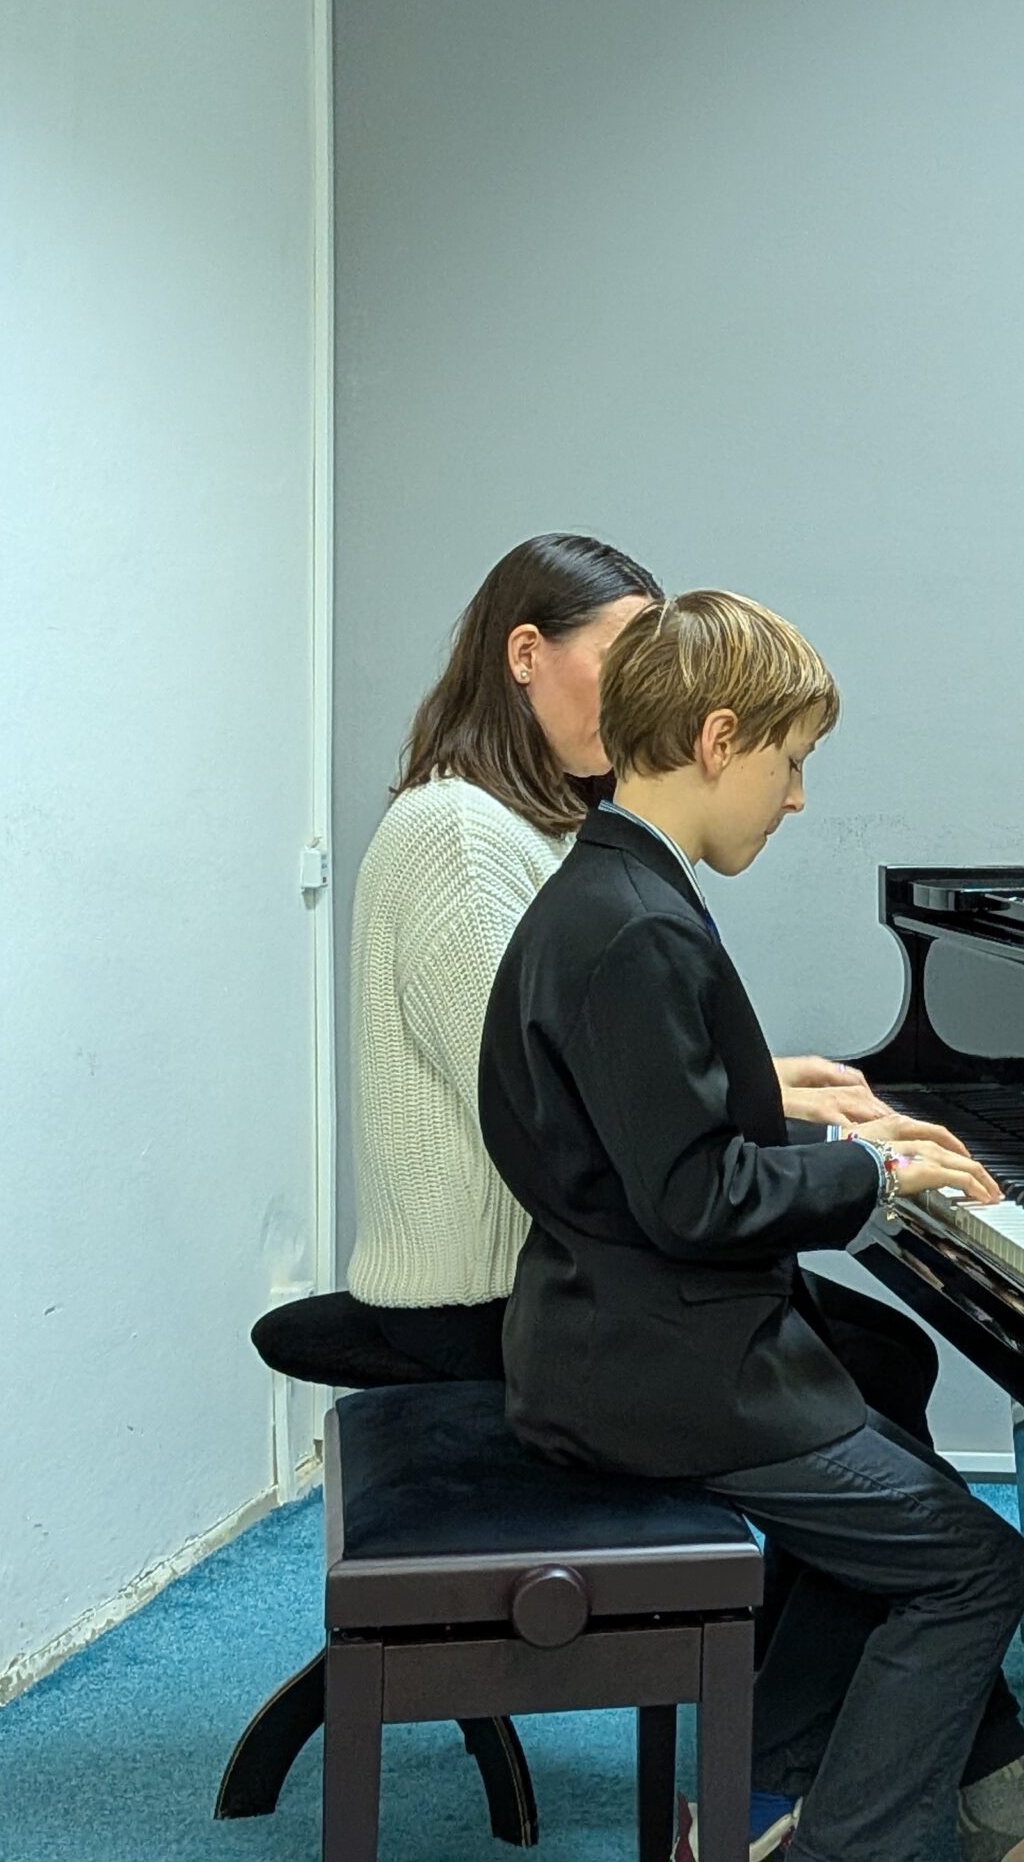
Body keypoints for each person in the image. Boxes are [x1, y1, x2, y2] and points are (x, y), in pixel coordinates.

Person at [478, 592, 1024, 1862]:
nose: (798, 797)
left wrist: (811, 1126)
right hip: (660, 1370)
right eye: (791, 761)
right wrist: (873, 1175)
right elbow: (697, 1196)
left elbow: (647, 1127)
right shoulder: (637, 928)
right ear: (717, 740)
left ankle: (764, 1792)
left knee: (888, 1370)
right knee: (974, 1569)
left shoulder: (610, 889)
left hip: (617, 1326)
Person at [254, 532, 884, 1389]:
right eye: (625, 660)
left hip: (560, 1274)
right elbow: (549, 1100)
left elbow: (591, 1065)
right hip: (490, 1301)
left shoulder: (542, 829)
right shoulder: (457, 834)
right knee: (863, 1360)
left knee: (874, 1348)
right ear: (525, 655)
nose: (641, 690)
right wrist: (820, 1137)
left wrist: (768, 1093)